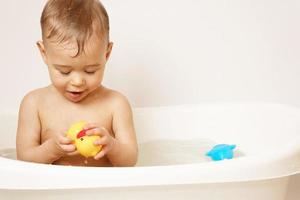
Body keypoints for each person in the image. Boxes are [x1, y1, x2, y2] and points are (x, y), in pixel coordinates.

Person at [16, 0, 138, 167]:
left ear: (106, 54)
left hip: (102, 189)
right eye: (64, 71)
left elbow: (130, 160)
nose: (78, 82)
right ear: (44, 53)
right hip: (55, 190)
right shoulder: (34, 104)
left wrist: (112, 145)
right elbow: (23, 159)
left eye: (90, 71)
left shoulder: (116, 104)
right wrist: (52, 149)